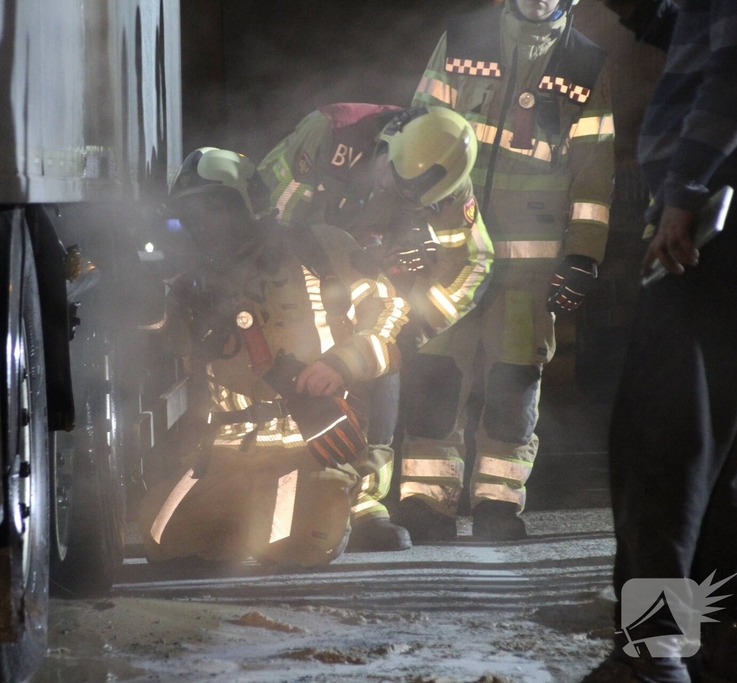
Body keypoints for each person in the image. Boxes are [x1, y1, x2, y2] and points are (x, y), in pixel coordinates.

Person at [582, 1, 737, 681]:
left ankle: (653, 650)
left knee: (663, 445)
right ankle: (735, 641)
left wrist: (686, 188)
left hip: (724, 215)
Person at [399, 0, 615, 541]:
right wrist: (407, 222)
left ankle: (498, 503)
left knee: (512, 387)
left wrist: (584, 253)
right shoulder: (463, 37)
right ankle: (426, 502)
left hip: (528, 267)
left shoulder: (586, 66)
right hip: (451, 254)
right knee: (437, 378)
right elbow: (417, 132)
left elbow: (595, 169)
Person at [137, 147, 411, 567]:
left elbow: (388, 311)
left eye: (218, 207)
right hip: (229, 453)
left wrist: (339, 365)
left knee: (294, 546)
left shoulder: (318, 249)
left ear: (251, 203)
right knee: (161, 541)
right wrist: (143, 301)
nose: (208, 223)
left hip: (311, 442)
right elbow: (163, 345)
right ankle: (240, 519)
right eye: (194, 214)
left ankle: (341, 501)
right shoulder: (191, 284)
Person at [258, 104, 494, 550]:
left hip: (363, 285)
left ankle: (362, 504)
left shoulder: (446, 183)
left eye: (411, 197)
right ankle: (277, 482)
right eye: (393, 179)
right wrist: (330, 265)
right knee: (291, 372)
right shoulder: (328, 135)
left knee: (381, 362)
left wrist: (406, 331)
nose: (392, 191)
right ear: (388, 143)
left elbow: (473, 261)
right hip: (290, 278)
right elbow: (268, 218)